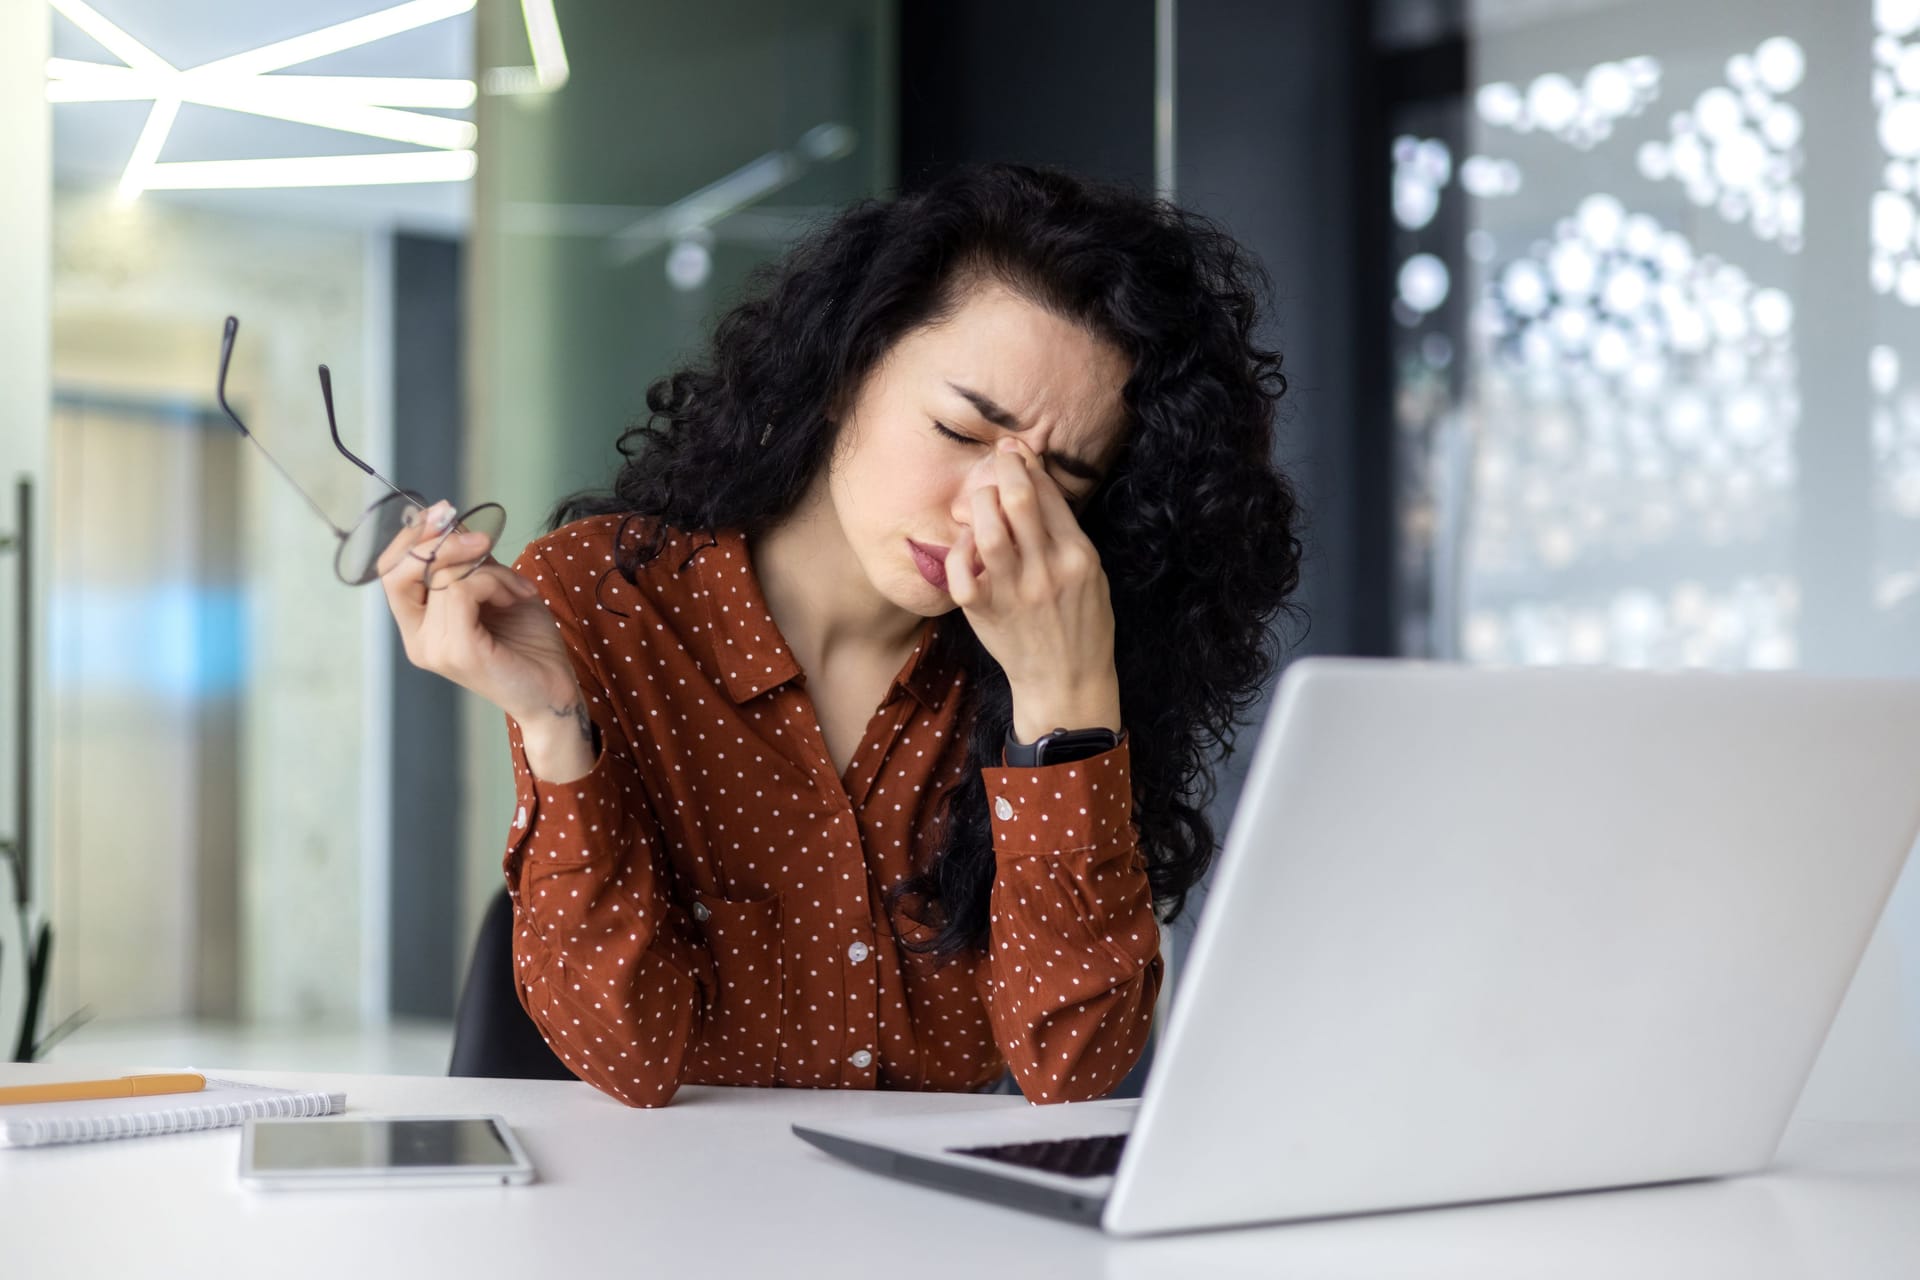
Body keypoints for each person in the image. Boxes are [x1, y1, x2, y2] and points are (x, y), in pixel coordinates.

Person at [379, 163, 1303, 1108]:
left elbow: (1074, 1070)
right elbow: (628, 1055)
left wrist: (1064, 708)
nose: (994, 510)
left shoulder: (1075, 651)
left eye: (1059, 477)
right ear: (842, 375)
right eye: (959, 430)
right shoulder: (606, 598)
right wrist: (553, 721)